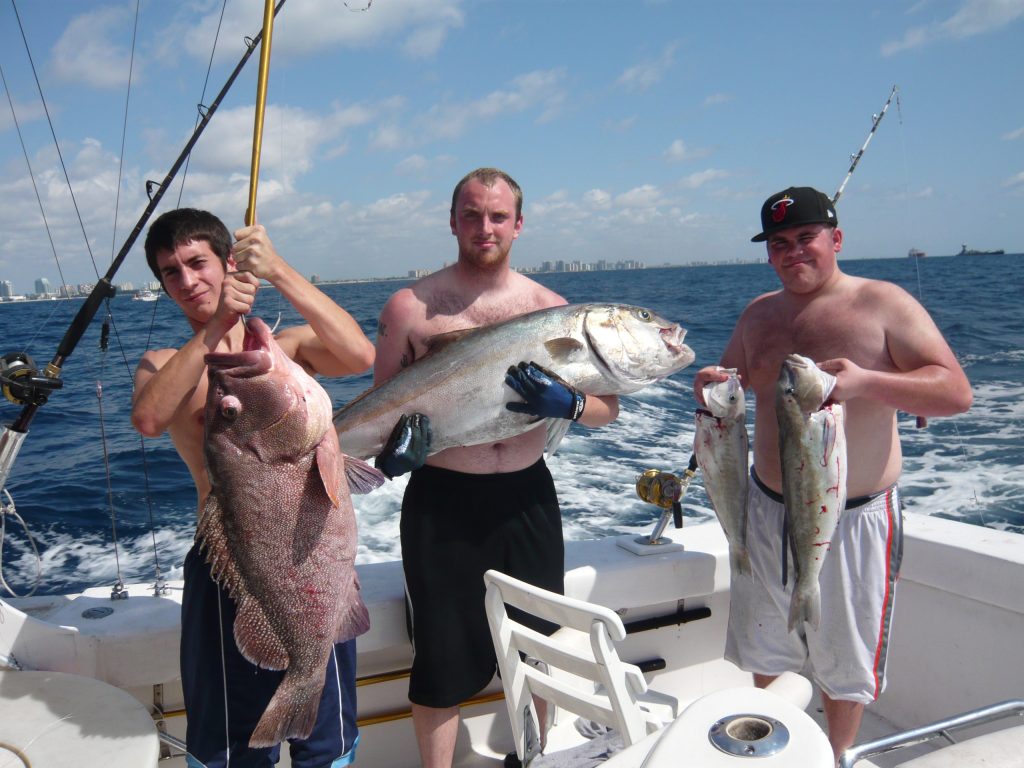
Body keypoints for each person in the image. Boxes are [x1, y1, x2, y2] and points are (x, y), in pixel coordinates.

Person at [693, 186, 972, 763]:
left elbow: (955, 392)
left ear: (836, 240)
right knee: (765, 649)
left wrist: (869, 382)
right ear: (768, 254)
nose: (793, 253)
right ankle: (771, 751)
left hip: (851, 517)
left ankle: (838, 755)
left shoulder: (884, 303)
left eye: (805, 239)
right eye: (779, 244)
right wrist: (710, 381)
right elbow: (733, 382)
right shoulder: (757, 314)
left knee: (843, 662)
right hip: (765, 507)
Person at [371, 168, 619, 768]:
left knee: (540, 644)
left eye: (498, 216)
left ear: (518, 224)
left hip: (528, 499)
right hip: (443, 501)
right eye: (472, 214)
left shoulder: (553, 310)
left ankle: (530, 760)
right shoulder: (410, 308)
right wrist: (395, 454)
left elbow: (607, 410)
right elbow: (379, 408)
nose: (486, 227)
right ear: (452, 220)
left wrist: (574, 404)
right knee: (441, 657)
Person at [131, 208, 376, 768]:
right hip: (228, 569)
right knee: (229, 745)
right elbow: (148, 418)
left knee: (327, 742)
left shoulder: (284, 350)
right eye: (171, 272)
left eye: (198, 262)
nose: (187, 280)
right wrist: (215, 328)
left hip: (315, 558)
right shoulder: (165, 363)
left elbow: (360, 355)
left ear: (230, 263)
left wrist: (280, 270)